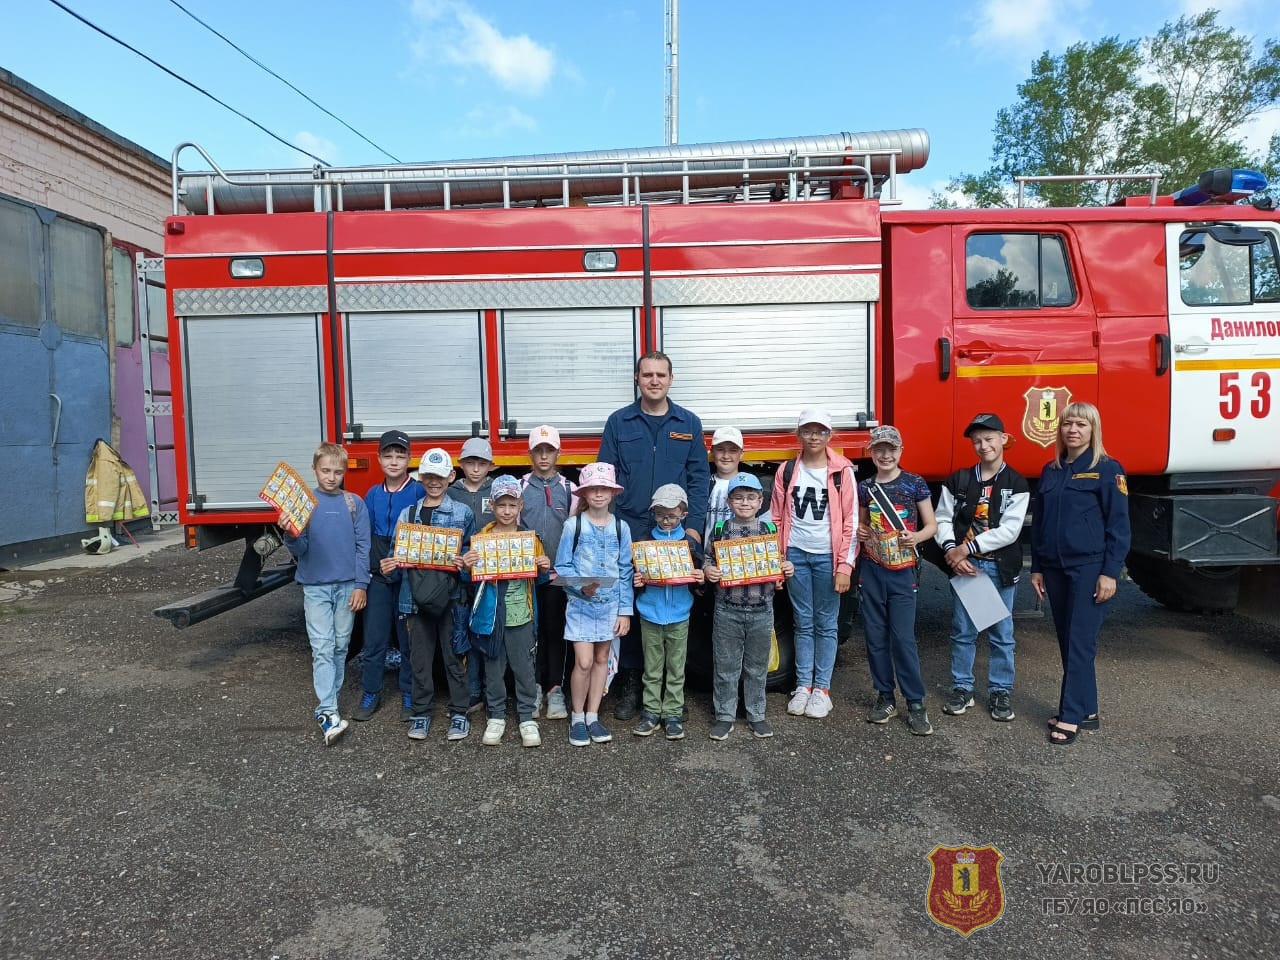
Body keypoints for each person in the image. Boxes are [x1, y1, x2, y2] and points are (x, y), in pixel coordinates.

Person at [598, 350, 709, 720]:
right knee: (632, 600)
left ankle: (671, 693)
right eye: (648, 375)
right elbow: (607, 477)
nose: (655, 380)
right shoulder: (619, 422)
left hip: (675, 531)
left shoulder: (688, 423)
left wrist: (692, 528)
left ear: (671, 379)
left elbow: (697, 478)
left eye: (661, 374)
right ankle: (632, 684)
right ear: (637, 379)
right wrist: (611, 528)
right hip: (631, 525)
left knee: (674, 603)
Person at [1030, 401, 1130, 746]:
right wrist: (1038, 567)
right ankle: (1087, 709)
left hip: (1089, 567)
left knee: (1080, 642)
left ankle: (1070, 716)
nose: (1073, 430)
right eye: (1068, 424)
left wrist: (1110, 573)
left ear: (1093, 430)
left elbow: (1119, 527)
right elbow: (1040, 523)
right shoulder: (1052, 470)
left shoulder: (1107, 470)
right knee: (1067, 640)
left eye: (1081, 425)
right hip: (1054, 568)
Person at [935, 413, 1030, 723]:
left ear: (1004, 439)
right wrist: (953, 552)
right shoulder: (960, 479)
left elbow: (1011, 530)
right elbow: (942, 519)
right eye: (977, 441)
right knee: (963, 631)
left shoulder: (1016, 482)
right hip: (969, 569)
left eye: (989, 438)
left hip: (998, 567)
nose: (983, 445)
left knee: (1002, 634)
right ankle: (962, 688)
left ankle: (1001, 691)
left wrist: (969, 547)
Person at [769, 409, 857, 720]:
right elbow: (777, 518)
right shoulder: (788, 469)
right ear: (799, 434)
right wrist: (779, 559)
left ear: (829, 436)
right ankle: (803, 686)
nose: (814, 436)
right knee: (802, 621)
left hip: (826, 557)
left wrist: (845, 567)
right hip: (796, 556)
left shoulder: (842, 471)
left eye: (820, 431)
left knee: (827, 622)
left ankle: (823, 689)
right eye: (808, 430)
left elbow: (850, 522)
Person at [281, 442, 370, 746]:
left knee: (340, 647)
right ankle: (328, 709)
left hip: (347, 586)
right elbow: (300, 548)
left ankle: (329, 704)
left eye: (337, 471)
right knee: (321, 646)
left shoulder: (354, 503)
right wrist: (291, 534)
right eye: (325, 471)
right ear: (314, 470)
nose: (331, 477)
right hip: (315, 586)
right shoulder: (305, 504)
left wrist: (361, 585)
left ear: (345, 472)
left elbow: (363, 548)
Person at [857, 425, 937, 736]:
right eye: (879, 449)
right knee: (875, 637)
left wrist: (915, 536)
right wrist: (863, 532)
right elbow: (862, 525)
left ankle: (915, 702)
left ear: (900, 451)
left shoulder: (915, 483)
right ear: (871, 453)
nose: (885, 454)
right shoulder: (865, 487)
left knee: (903, 639)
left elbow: (931, 525)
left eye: (891, 449)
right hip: (873, 568)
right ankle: (885, 696)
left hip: (903, 572)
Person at [395, 446, 477, 743]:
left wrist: (465, 561)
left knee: (455, 655)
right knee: (420, 656)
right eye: (429, 476)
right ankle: (421, 713)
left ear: (450, 477)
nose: (434, 482)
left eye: (440, 476)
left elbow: (471, 551)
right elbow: (399, 551)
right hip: (415, 596)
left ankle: (459, 712)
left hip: (451, 596)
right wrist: (393, 561)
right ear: (421, 478)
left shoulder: (462, 512)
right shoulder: (409, 513)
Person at [704, 473, 794, 741]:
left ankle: (756, 713)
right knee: (726, 664)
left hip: (761, 608)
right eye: (739, 497)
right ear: (730, 501)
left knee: (757, 665)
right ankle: (724, 715)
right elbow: (709, 558)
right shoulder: (721, 530)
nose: (745, 503)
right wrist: (709, 570)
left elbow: (778, 562)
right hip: (727, 607)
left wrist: (786, 568)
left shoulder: (768, 531)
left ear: (760, 501)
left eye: (751, 497)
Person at [465, 475, 552, 748]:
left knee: (524, 668)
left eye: (511, 505)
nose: (506, 511)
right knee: (493, 668)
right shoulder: (481, 539)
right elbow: (472, 581)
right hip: (491, 618)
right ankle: (496, 716)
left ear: (520, 506)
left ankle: (527, 716)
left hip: (521, 616)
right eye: (501, 504)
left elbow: (539, 579)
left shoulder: (530, 540)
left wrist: (544, 565)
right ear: (491, 505)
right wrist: (467, 566)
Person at [554, 462, 635, 747]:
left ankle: (593, 715)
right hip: (580, 607)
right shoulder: (573, 525)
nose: (599, 494)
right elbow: (561, 567)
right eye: (593, 489)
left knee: (602, 659)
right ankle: (577, 717)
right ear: (585, 493)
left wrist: (625, 611)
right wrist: (581, 584)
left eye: (604, 489)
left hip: (611, 607)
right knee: (584, 661)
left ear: (612, 493)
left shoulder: (621, 527)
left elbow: (625, 570)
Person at [353, 430, 424, 723]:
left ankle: (409, 693)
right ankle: (371, 691)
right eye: (388, 456)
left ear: (409, 459)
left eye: (400, 456)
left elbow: (425, 535)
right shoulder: (372, 494)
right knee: (375, 638)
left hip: (408, 577)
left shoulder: (418, 491)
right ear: (380, 459)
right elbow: (365, 538)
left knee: (409, 640)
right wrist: (377, 565)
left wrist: (405, 562)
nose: (394, 461)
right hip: (380, 575)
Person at [631, 483, 704, 741]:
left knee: (676, 667)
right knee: (652, 667)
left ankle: (672, 712)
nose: (666, 520)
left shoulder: (691, 544)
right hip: (650, 612)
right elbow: (634, 575)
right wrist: (636, 582)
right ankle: (651, 711)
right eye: (661, 514)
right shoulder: (644, 541)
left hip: (680, 614)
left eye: (672, 515)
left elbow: (701, 580)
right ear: (654, 513)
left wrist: (700, 577)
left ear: (683, 514)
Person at [520, 424, 577, 722]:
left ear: (558, 453)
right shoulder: (519, 487)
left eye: (549, 451)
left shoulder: (570, 489)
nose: (544, 456)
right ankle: (533, 689)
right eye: (538, 451)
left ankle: (555, 688)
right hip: (526, 577)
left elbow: (573, 533)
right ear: (530, 454)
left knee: (555, 632)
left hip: (557, 577)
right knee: (529, 634)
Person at [449, 436, 495, 715]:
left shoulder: (498, 490)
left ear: (490, 466)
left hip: (493, 577)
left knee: (489, 635)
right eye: (470, 463)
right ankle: (473, 691)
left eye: (481, 463)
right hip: (463, 578)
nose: (476, 469)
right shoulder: (452, 493)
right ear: (461, 464)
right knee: (465, 635)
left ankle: (493, 693)